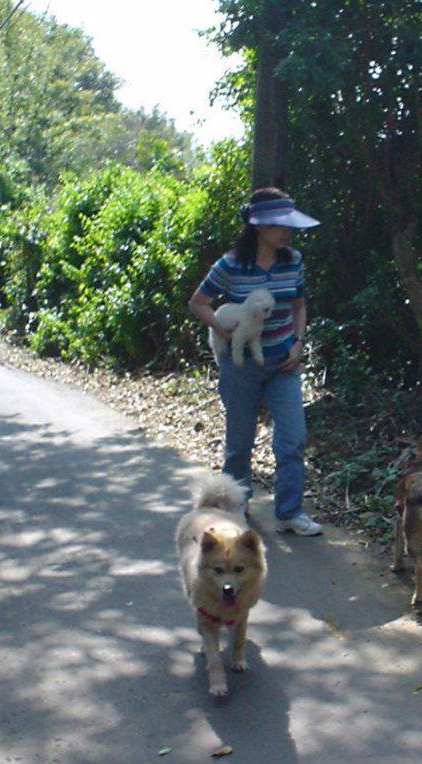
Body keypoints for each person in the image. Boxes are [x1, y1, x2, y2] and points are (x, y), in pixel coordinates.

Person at [188, 187, 323, 536]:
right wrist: (221, 326)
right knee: (239, 443)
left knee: (293, 439)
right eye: (280, 225)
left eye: (289, 225)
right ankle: (236, 508)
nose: (287, 231)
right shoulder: (230, 265)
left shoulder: (292, 260)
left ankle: (290, 512)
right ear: (259, 227)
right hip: (241, 365)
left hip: (283, 362)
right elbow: (198, 302)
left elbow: (298, 305)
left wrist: (297, 342)